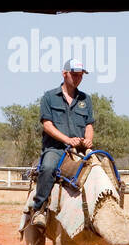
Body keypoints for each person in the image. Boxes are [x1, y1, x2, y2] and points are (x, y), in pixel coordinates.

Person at [17, 58, 95, 232]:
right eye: (74, 74)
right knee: (48, 167)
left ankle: (99, 215)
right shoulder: (50, 97)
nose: (77, 78)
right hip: (56, 148)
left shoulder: (85, 99)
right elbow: (47, 125)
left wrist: (88, 139)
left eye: (80, 75)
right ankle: (39, 209)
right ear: (64, 73)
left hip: (81, 148)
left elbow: (89, 125)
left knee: (101, 167)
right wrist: (67, 140)